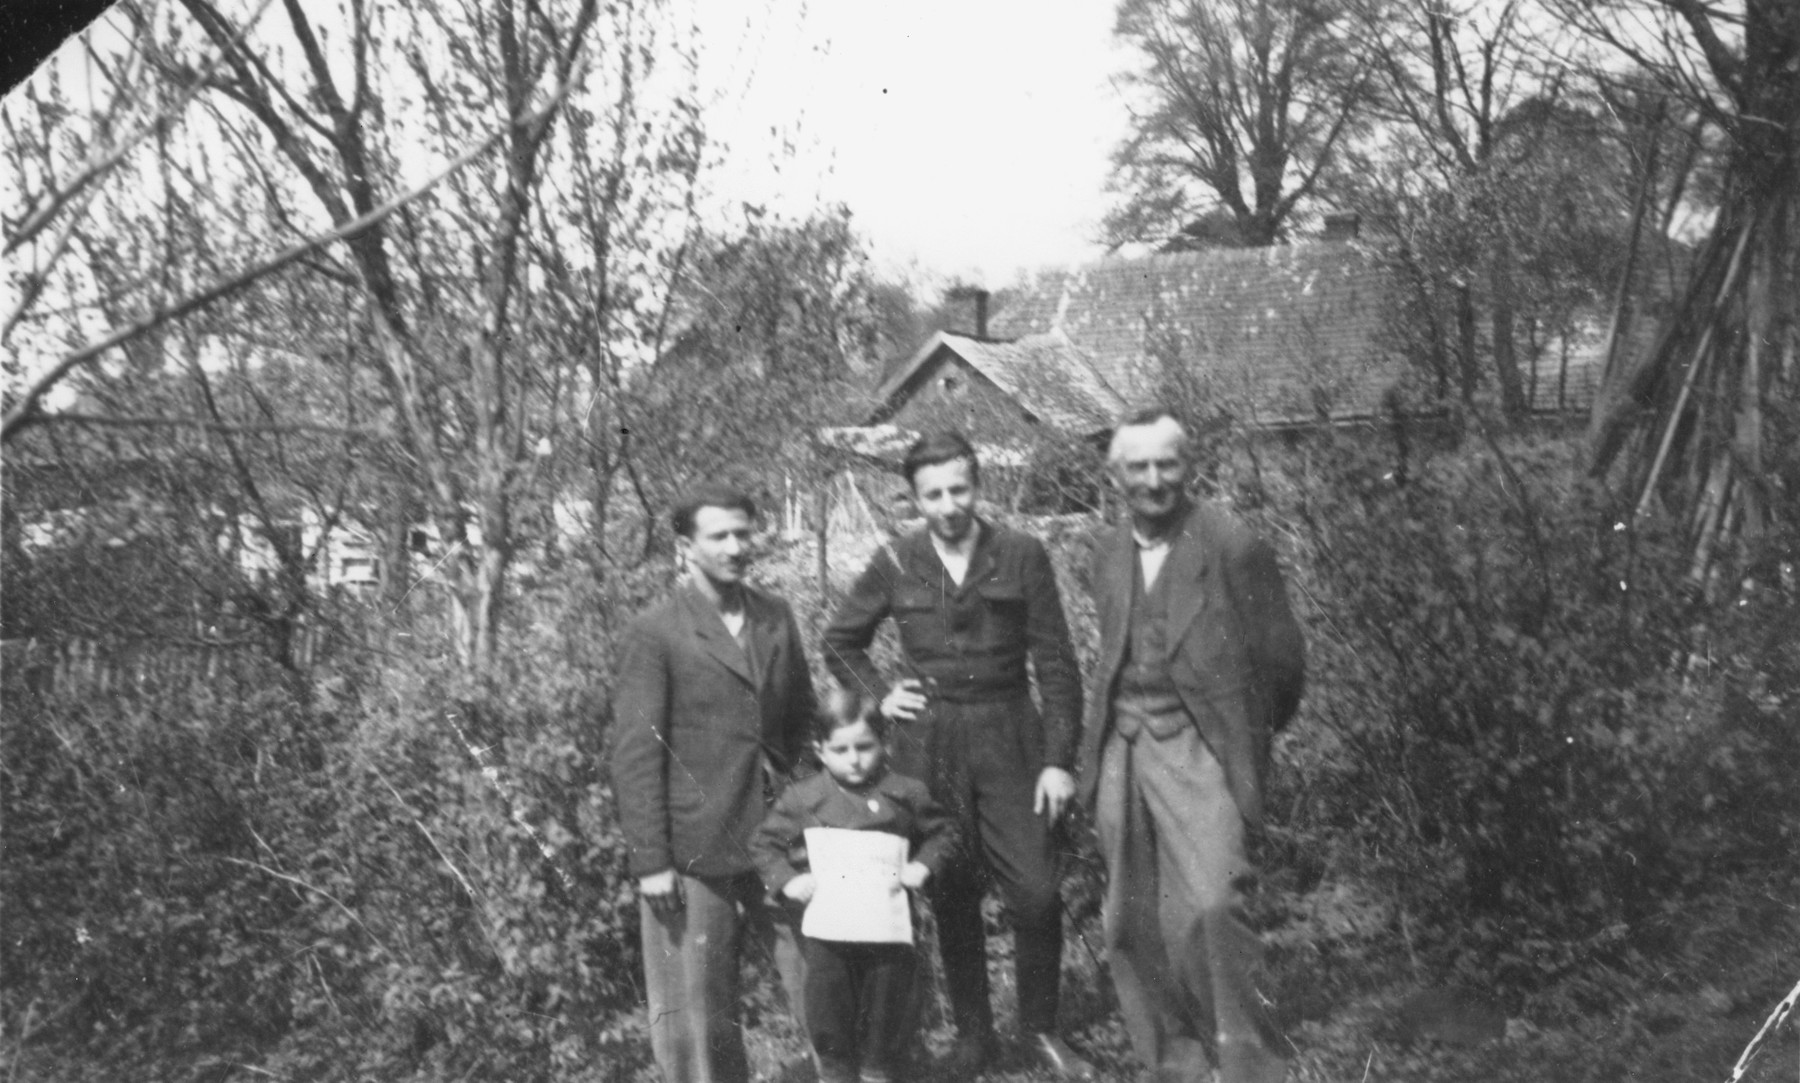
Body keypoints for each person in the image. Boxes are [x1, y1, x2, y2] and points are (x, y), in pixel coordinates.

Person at [821, 431, 1092, 1078]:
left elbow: (1056, 662)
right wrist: (881, 694)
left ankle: (1041, 1031)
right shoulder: (896, 557)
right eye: (933, 493)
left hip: (1010, 733)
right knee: (950, 884)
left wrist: (1058, 758)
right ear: (914, 498)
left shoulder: (1021, 553)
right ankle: (975, 1034)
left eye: (959, 488)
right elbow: (841, 640)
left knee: (1035, 888)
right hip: (930, 739)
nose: (948, 504)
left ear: (979, 485)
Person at [1077, 409, 1306, 1083]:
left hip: (1201, 744)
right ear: (1114, 474)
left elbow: (1283, 663)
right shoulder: (1106, 550)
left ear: (1189, 465)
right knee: (1129, 913)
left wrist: (1240, 737)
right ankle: (1172, 1057)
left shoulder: (1231, 545)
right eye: (1138, 467)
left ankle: (1246, 1058)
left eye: (1167, 463)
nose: (1154, 480)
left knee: (1211, 901)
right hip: (1122, 744)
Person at [610, 483, 818, 1083]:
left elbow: (801, 715)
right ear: (687, 547)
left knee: (819, 976)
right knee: (698, 1016)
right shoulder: (657, 632)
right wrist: (651, 860)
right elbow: (636, 754)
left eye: (743, 533)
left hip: (781, 837)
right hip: (696, 844)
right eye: (718, 536)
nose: (734, 547)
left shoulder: (775, 616)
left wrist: (805, 796)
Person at [752, 690, 959, 1083]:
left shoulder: (905, 792)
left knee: (887, 1014)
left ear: (882, 743)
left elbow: (945, 831)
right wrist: (788, 880)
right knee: (831, 1015)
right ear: (820, 749)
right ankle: (836, 1074)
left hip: (887, 935)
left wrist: (923, 866)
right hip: (831, 936)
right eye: (841, 749)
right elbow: (764, 844)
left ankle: (878, 1070)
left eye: (864, 747)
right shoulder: (804, 797)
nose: (854, 759)